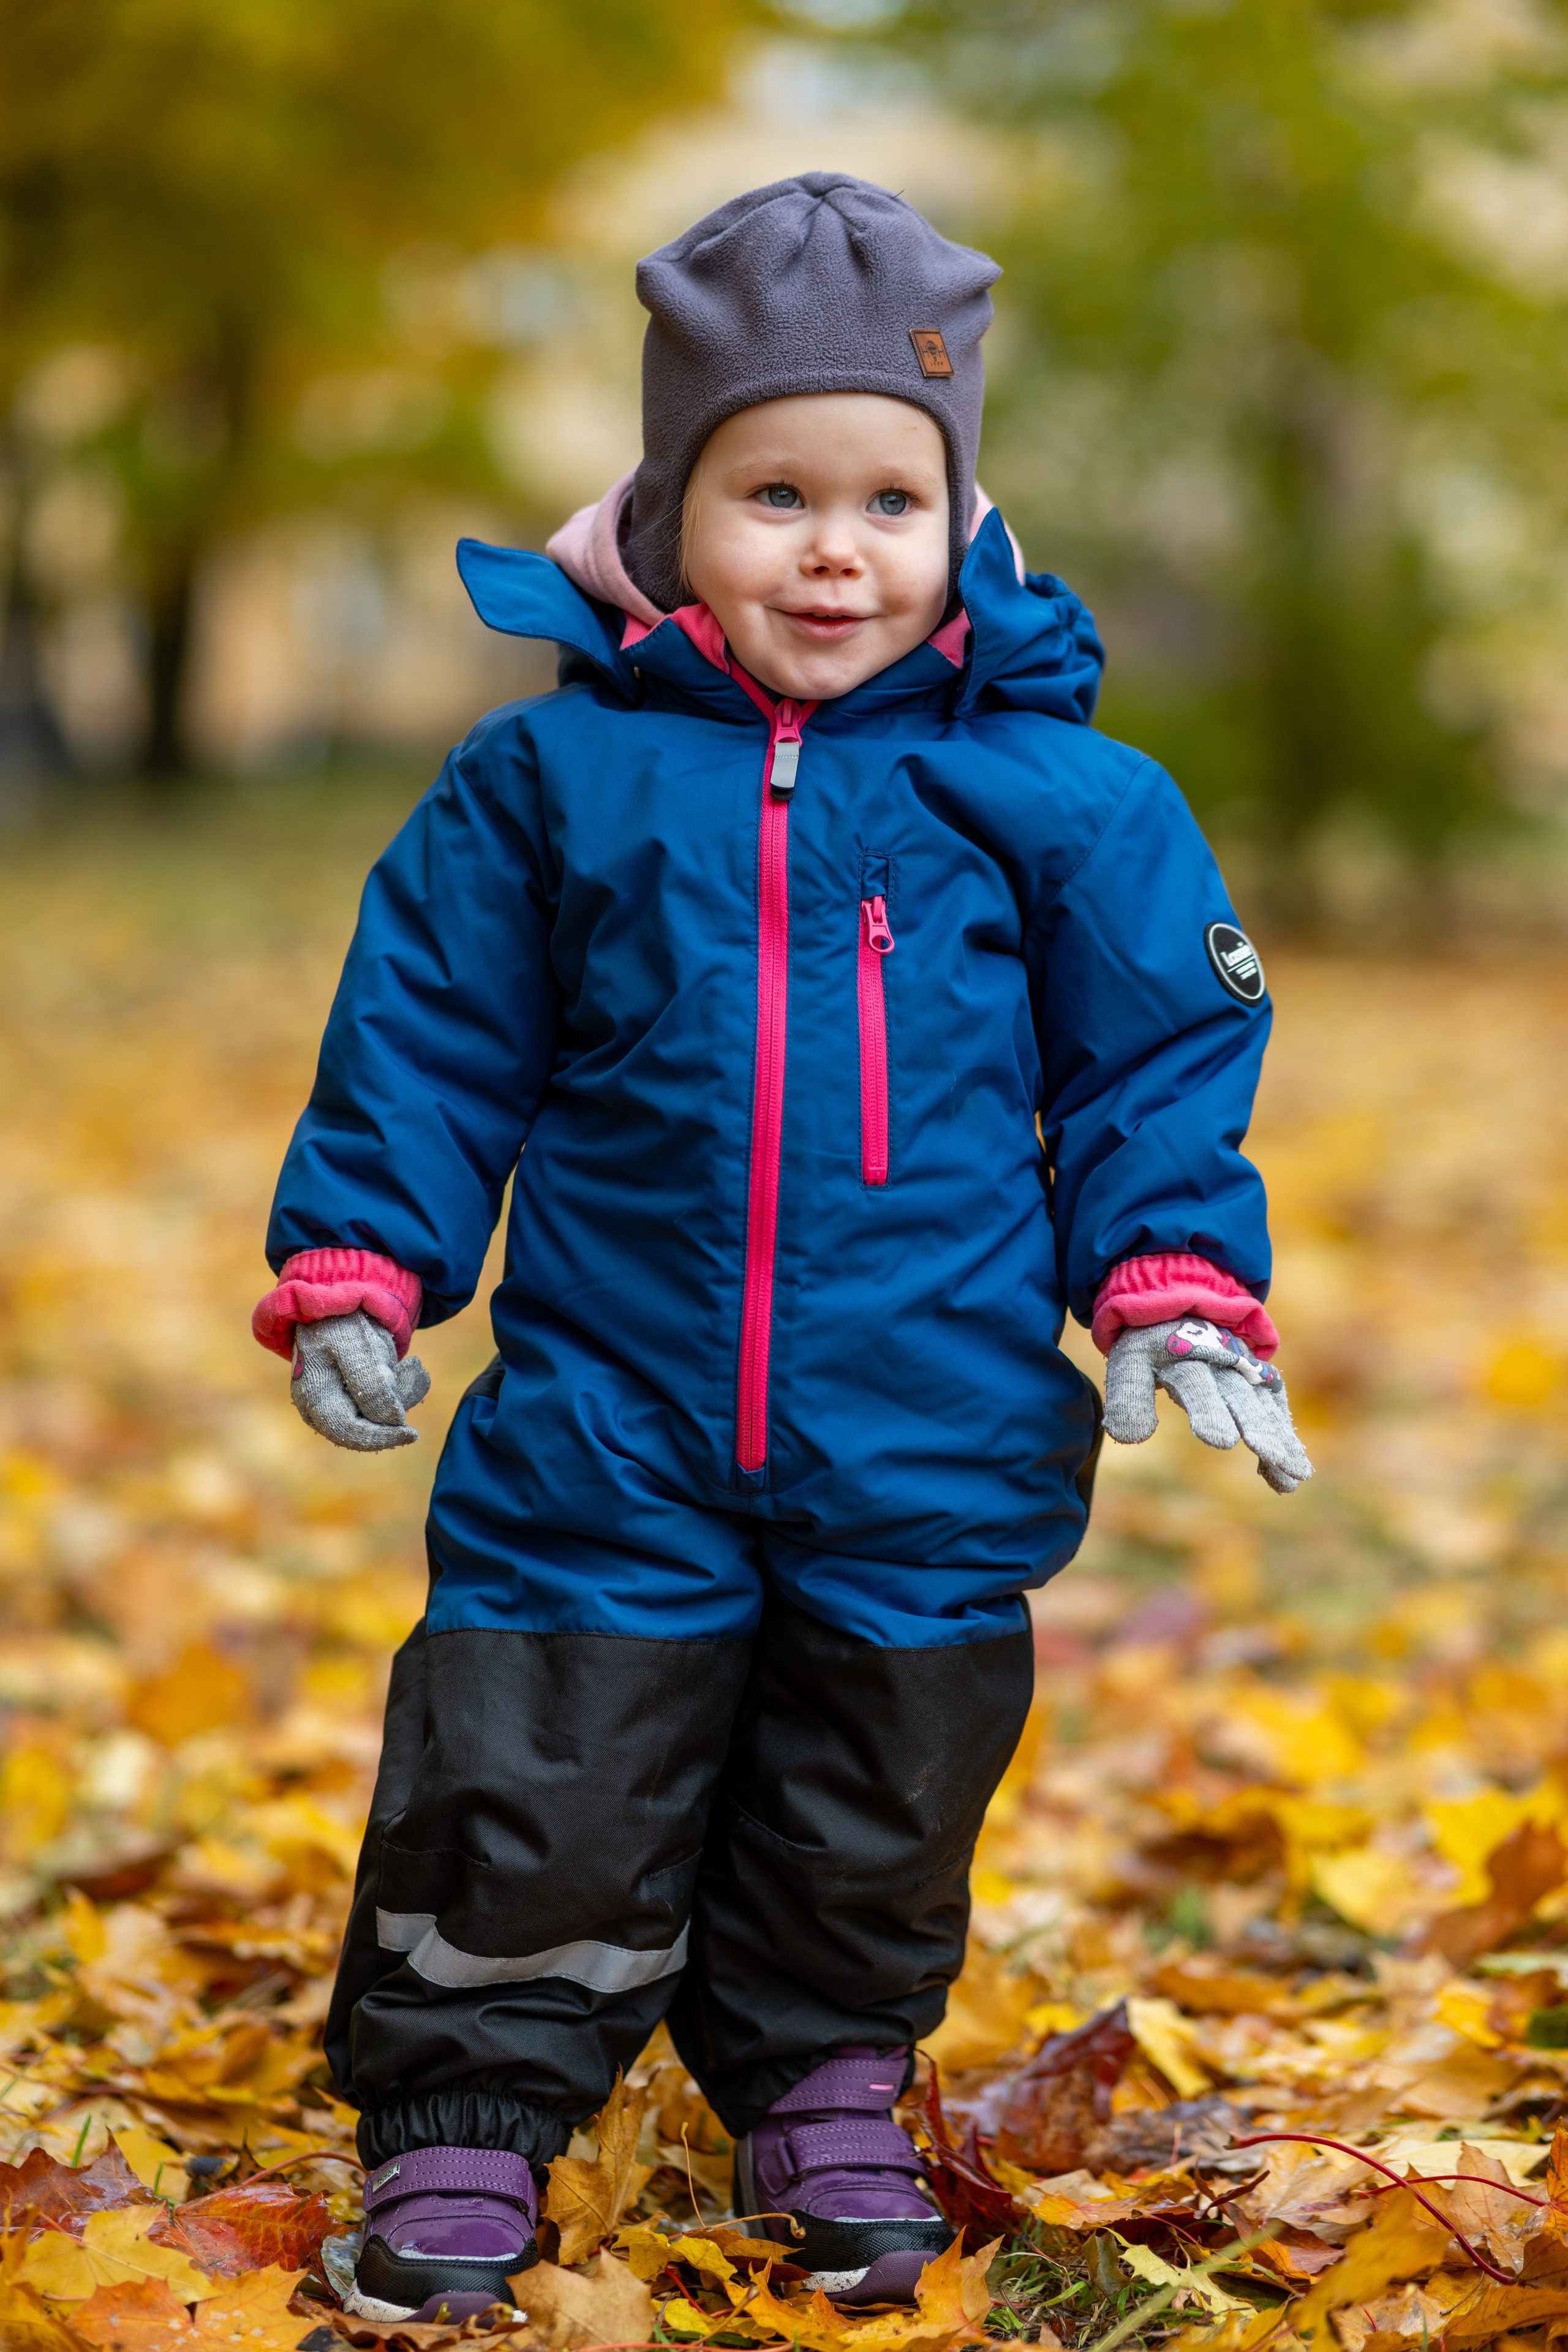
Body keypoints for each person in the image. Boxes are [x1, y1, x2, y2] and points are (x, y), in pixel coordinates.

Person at [252, 173, 1311, 2328]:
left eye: (892, 502)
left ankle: (823, 2076)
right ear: (668, 513)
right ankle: (469, 2108)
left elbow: (1154, 1066)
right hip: (611, 1409)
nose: (838, 550)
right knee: (540, 1746)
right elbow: (430, 1040)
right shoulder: (547, 783)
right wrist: (364, 1256)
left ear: (962, 521)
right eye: (777, 494)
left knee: (875, 1777)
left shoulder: (1065, 798)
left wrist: (1174, 1275)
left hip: (929, 1414)